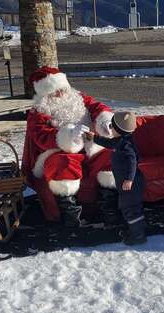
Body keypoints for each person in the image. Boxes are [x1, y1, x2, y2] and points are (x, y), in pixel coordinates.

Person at [22, 66, 117, 227]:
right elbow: (41, 136)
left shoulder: (79, 97)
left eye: (62, 89)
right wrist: (69, 135)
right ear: (44, 95)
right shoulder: (37, 112)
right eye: (53, 92)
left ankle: (110, 212)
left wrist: (105, 120)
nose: (60, 94)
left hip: (89, 145)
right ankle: (72, 219)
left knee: (110, 156)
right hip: (60, 150)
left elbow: (98, 108)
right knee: (63, 164)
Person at [84, 112, 147, 245]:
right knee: (128, 207)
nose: (109, 128)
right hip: (126, 183)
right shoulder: (120, 141)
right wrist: (94, 138)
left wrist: (129, 179)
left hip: (131, 184)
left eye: (111, 125)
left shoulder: (126, 145)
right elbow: (108, 143)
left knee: (130, 209)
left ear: (118, 130)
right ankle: (134, 230)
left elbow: (132, 161)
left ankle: (138, 236)